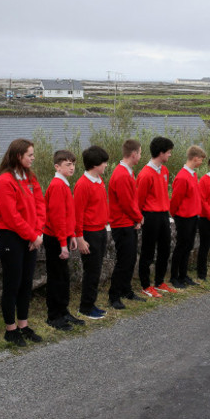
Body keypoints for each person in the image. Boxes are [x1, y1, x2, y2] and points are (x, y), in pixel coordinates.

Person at [0, 139, 46, 347]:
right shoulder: (4, 181)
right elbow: (11, 216)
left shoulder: (30, 177)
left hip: (31, 237)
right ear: (18, 156)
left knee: (26, 283)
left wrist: (37, 232)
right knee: (12, 284)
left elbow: (41, 204)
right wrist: (32, 235)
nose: (33, 158)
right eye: (29, 155)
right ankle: (10, 329)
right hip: (12, 238)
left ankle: (23, 324)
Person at [43, 150, 83, 330]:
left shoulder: (64, 184)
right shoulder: (57, 185)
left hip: (63, 236)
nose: (72, 167)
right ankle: (54, 316)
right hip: (54, 238)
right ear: (57, 166)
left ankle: (63, 311)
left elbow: (69, 215)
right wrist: (62, 243)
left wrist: (72, 235)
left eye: (73, 164)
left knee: (64, 277)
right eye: (68, 164)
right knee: (56, 277)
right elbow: (57, 217)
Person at [107, 140, 145, 310]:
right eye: (140, 153)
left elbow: (132, 199)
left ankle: (126, 290)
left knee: (130, 259)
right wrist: (139, 217)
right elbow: (126, 202)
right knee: (123, 261)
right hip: (121, 224)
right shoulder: (122, 174)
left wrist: (135, 219)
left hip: (128, 222)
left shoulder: (128, 172)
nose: (141, 156)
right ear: (133, 154)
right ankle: (114, 296)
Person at [74, 145, 110, 319]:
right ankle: (86, 307)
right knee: (92, 271)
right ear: (95, 164)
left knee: (96, 269)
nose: (106, 166)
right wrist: (80, 238)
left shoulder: (99, 181)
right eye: (104, 163)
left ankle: (91, 303)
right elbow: (78, 213)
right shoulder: (82, 184)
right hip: (90, 233)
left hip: (101, 230)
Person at [137, 136, 175, 297]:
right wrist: (139, 218)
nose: (170, 155)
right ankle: (146, 285)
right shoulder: (145, 174)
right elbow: (139, 199)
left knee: (165, 249)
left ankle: (159, 282)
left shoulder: (165, 170)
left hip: (163, 215)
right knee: (148, 251)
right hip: (150, 216)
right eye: (169, 152)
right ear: (161, 153)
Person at [169, 145, 206, 287]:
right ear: (195, 158)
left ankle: (183, 275)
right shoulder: (182, 177)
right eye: (201, 160)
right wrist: (177, 215)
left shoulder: (192, 174)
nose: (201, 162)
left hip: (192, 216)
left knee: (188, 246)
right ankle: (174, 277)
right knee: (181, 246)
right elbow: (176, 200)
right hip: (183, 217)